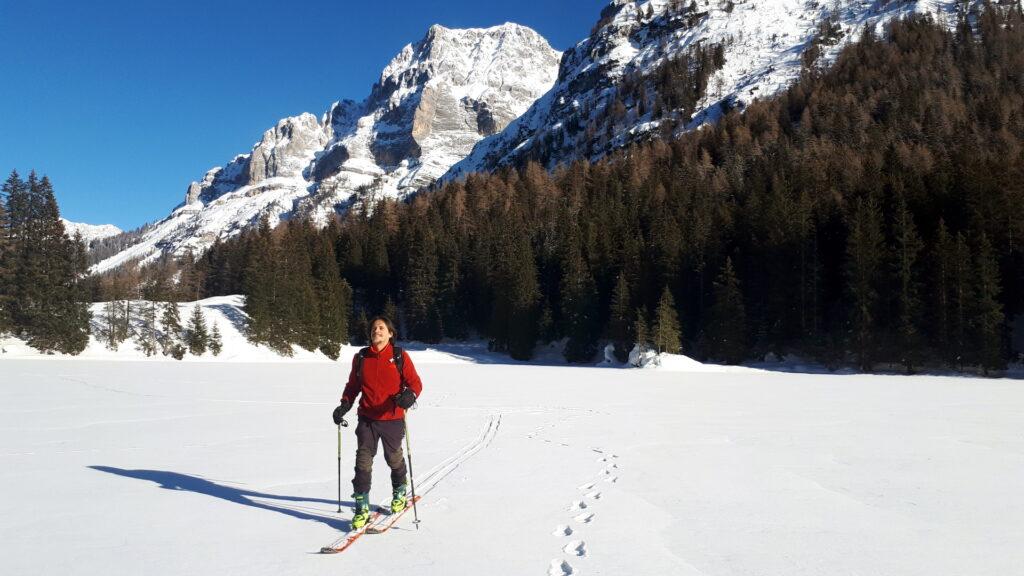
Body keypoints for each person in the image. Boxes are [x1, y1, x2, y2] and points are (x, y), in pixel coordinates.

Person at [332, 316, 422, 529]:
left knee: (393, 458)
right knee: (363, 461)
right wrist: (344, 405)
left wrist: (410, 396)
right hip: (367, 419)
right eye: (374, 328)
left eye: (382, 328)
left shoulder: (400, 356)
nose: (377, 331)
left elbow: (415, 383)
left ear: (390, 333)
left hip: (392, 418)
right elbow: (353, 386)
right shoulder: (361, 357)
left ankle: (400, 490)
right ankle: (362, 505)